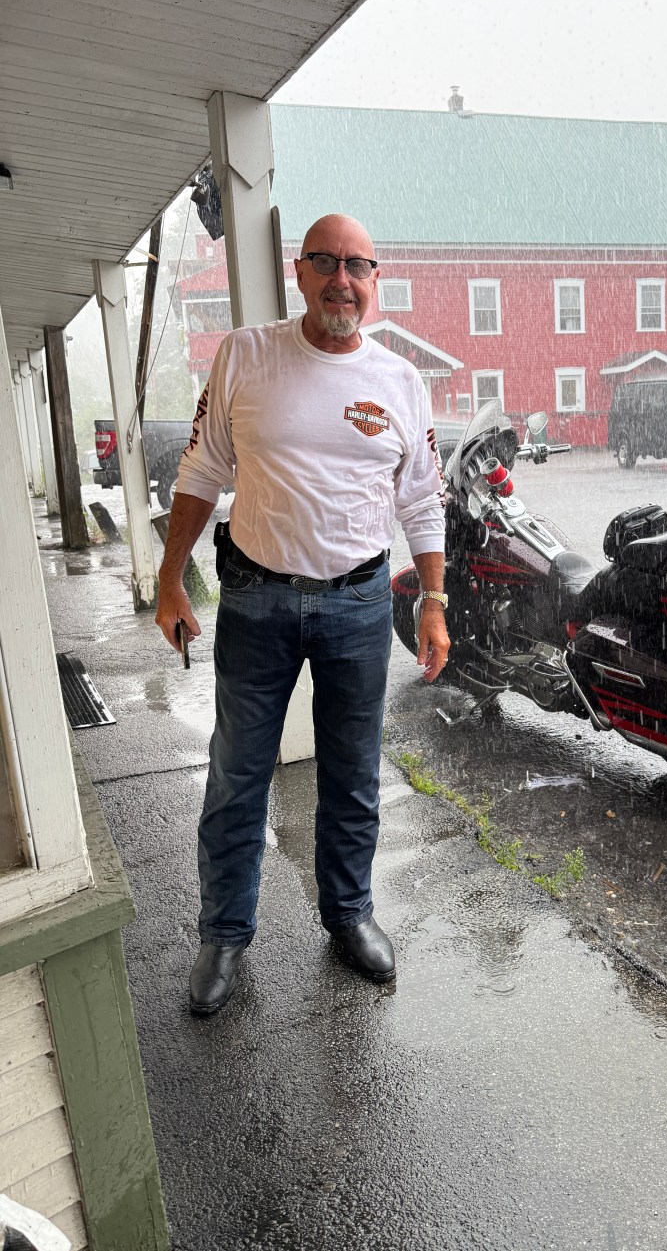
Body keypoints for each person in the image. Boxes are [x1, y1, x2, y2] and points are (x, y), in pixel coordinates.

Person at [155, 213, 450, 1015]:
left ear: (374, 279)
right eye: (327, 262)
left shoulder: (399, 380)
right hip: (255, 598)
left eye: (358, 265)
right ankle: (223, 933)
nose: (341, 280)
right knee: (237, 774)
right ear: (301, 271)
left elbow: (421, 499)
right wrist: (170, 578)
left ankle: (349, 915)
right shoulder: (247, 355)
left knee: (352, 774)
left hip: (358, 602)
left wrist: (433, 601)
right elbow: (202, 468)